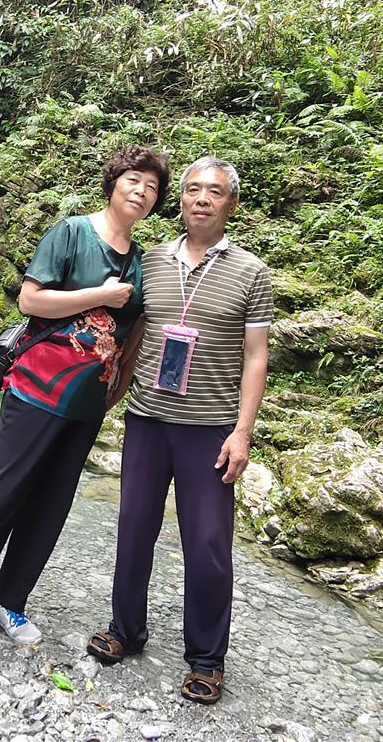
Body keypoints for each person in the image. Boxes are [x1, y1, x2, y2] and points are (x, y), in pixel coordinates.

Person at [0, 145, 170, 664]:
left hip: (87, 405)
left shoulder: (141, 263)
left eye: (152, 187)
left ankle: (6, 599)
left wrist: (117, 388)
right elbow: (30, 300)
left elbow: (134, 335)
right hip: (35, 390)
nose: (142, 191)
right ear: (113, 182)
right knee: (0, 496)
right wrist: (97, 295)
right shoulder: (72, 233)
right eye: (134, 180)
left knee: (51, 507)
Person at [87, 155, 273, 706]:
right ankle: (125, 629)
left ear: (230, 204)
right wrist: (111, 393)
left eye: (214, 191)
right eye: (192, 189)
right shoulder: (152, 260)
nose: (201, 198)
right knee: (134, 527)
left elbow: (256, 356)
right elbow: (137, 334)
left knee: (209, 543)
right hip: (147, 418)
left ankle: (207, 658)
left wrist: (242, 432)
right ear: (182, 199)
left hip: (209, 428)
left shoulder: (251, 272)